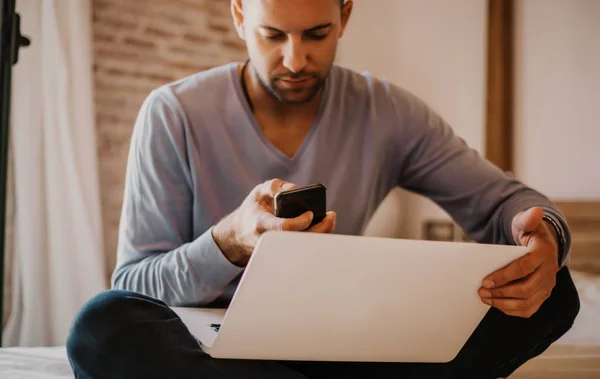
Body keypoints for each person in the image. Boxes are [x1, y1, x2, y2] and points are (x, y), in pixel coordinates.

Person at [66, 0, 580, 378]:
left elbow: (503, 201)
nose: (294, 60)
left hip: (338, 337)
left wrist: (545, 235)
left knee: (556, 292)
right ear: (240, 15)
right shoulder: (173, 113)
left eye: (316, 35)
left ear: (346, 16)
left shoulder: (390, 112)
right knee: (100, 326)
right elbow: (135, 282)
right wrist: (228, 242)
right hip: (208, 345)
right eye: (273, 35)